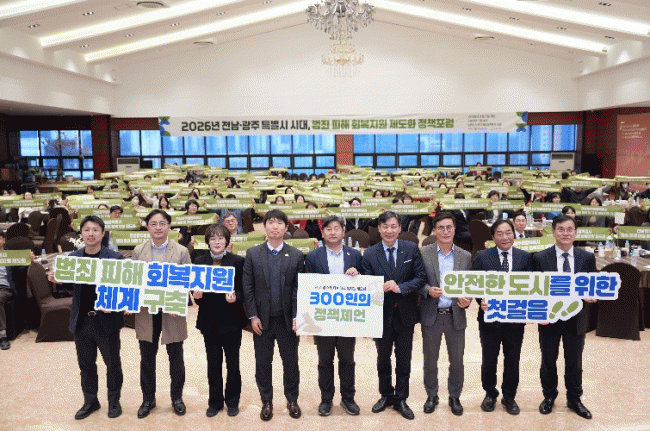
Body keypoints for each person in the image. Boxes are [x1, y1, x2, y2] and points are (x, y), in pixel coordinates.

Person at [50, 215, 125, 419]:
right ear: (81, 234)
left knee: (113, 364)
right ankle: (90, 401)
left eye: (95, 230)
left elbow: (125, 289)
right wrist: (58, 280)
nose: (91, 234)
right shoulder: (73, 258)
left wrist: (115, 304)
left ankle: (114, 401)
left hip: (107, 321)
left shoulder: (115, 258)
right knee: (86, 365)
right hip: (82, 320)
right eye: (86, 230)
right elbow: (70, 285)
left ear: (103, 233)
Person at [362, 211, 426, 420]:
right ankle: (386, 394)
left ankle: (401, 398)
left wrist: (401, 287)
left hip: (406, 313)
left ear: (399, 228)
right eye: (385, 226)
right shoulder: (369, 254)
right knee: (383, 358)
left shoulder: (411, 249)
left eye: (393, 226)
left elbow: (421, 277)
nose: (389, 230)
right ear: (379, 229)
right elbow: (365, 284)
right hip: (380, 315)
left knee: (404, 358)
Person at [242, 209, 304, 421]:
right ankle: (266, 401)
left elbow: (298, 289)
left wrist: (297, 316)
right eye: (271, 222)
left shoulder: (296, 255)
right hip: (262, 321)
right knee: (263, 363)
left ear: (286, 228)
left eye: (279, 223)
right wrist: (252, 316)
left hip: (288, 321)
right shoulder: (253, 254)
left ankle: (292, 400)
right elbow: (248, 288)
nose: (275, 226)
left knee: (291, 363)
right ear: (264, 227)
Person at [534, 215, 597, 420]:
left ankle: (574, 399)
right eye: (561, 229)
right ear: (553, 232)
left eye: (570, 229)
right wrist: (537, 312)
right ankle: (549, 396)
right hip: (549, 317)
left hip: (576, 318)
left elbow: (593, 284)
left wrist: (592, 295)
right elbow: (534, 290)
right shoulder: (540, 258)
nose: (565, 233)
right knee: (548, 360)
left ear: (576, 233)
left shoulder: (586, 258)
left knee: (574, 361)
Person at [132, 209, 192, 418]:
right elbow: (134, 282)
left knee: (176, 358)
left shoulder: (181, 251)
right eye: (153, 224)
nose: (158, 228)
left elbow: (187, 281)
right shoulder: (138, 251)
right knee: (147, 359)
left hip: (172, 312)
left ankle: (177, 398)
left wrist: (179, 303)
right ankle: (148, 399)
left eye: (162, 223)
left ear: (169, 226)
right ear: (147, 227)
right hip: (146, 312)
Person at [472, 218, 533, 415]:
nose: (505, 237)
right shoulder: (482, 256)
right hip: (490, 319)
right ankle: (490, 394)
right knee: (489, 359)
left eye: (508, 233)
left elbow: (531, 287)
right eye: (499, 233)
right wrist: (480, 300)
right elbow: (475, 284)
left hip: (515, 319)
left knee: (512, 359)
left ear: (514, 234)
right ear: (493, 237)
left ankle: (509, 396)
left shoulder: (525, 257)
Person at [304, 215, 363, 416]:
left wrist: (358, 274)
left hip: (347, 318)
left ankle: (348, 398)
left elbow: (366, 282)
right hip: (323, 319)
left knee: (347, 360)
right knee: (325, 361)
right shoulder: (313, 257)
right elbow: (307, 287)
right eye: (328, 229)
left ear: (343, 232)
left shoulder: (355, 255)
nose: (332, 232)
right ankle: (326, 399)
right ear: (322, 233)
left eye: (336, 228)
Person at [419, 212, 472, 416]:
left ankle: (454, 396)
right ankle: (431, 395)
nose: (445, 231)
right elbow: (417, 280)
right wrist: (427, 290)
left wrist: (467, 300)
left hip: (455, 315)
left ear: (455, 230)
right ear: (434, 230)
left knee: (456, 361)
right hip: (431, 315)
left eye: (449, 227)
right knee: (430, 361)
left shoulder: (465, 256)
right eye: (441, 228)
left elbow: (470, 285)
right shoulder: (423, 253)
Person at [192, 224, 247, 417]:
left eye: (221, 238)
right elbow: (195, 292)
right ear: (208, 241)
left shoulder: (238, 261)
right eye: (213, 238)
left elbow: (244, 290)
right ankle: (215, 402)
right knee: (213, 364)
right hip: (209, 322)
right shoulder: (199, 262)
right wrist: (196, 295)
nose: (217, 242)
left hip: (231, 321)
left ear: (227, 241)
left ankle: (232, 401)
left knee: (233, 364)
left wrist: (236, 296)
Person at [0, 231, 21, 351]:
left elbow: (21, 270)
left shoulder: (10, 255)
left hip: (5, 287)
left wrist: (29, 259)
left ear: (3, 240)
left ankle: (2, 336)